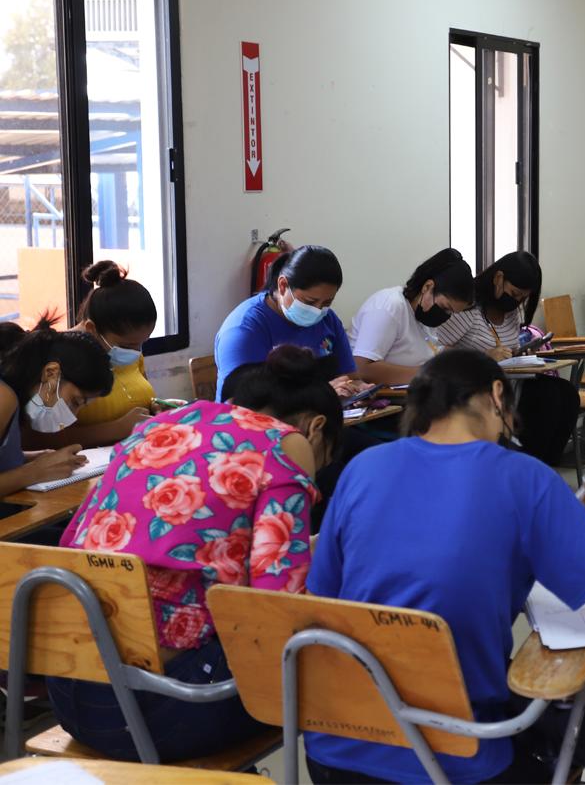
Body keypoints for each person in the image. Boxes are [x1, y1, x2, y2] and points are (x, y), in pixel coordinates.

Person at [305, 349, 585, 784]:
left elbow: (322, 597)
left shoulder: (363, 468)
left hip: (335, 751)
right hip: (457, 755)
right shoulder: (526, 478)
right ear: (496, 395)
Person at [48, 345, 342, 762]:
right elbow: (277, 608)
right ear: (315, 429)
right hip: (165, 711)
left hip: (70, 691)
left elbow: (70, 546)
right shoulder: (286, 447)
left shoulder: (162, 423)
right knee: (323, 663)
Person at [436, 251, 580, 465]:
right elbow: (436, 356)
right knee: (547, 399)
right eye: (514, 294)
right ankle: (523, 470)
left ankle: (543, 469)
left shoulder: (512, 313)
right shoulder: (468, 308)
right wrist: (483, 357)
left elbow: (509, 350)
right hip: (473, 391)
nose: (516, 302)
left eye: (523, 298)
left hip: (509, 385)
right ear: (498, 278)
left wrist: (522, 354)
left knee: (566, 394)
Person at [25, 261, 159, 451]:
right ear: (92, 329)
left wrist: (156, 409)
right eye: (127, 345)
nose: (136, 352)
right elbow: (33, 439)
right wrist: (115, 429)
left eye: (143, 342)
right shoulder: (57, 359)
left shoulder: (129, 352)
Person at [214, 246, 359, 400]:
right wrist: (322, 394)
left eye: (327, 303)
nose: (318, 311)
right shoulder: (244, 329)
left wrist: (355, 388)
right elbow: (243, 402)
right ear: (283, 286)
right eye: (309, 301)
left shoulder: (327, 319)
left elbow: (349, 375)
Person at [0, 322, 113, 496]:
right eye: (75, 401)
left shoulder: (13, 394)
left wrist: (28, 458)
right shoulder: (4, 397)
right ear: (51, 373)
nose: (73, 416)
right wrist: (33, 472)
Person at [348, 248, 475, 386]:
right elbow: (362, 369)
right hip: (381, 401)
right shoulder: (390, 306)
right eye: (445, 308)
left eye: (451, 313)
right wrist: (428, 373)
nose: (446, 316)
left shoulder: (423, 316)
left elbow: (427, 350)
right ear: (428, 287)